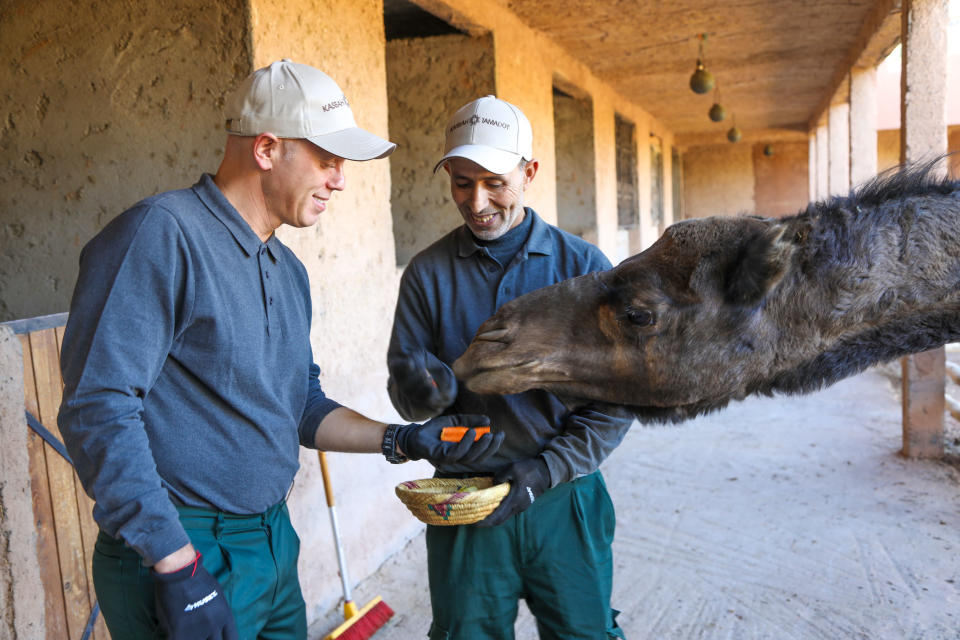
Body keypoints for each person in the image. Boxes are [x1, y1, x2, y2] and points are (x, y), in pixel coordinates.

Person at [57, 60, 502, 640]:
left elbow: (301, 405)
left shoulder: (287, 270)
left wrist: (402, 439)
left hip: (271, 541)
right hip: (185, 550)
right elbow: (98, 407)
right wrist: (174, 561)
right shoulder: (161, 235)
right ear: (267, 149)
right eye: (327, 159)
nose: (340, 180)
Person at [387, 95, 634, 639]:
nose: (476, 202)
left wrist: (547, 469)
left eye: (495, 182)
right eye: (461, 182)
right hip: (463, 502)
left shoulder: (584, 270)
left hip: (564, 498)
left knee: (583, 632)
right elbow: (407, 396)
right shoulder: (427, 274)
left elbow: (616, 402)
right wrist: (418, 394)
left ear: (530, 172)